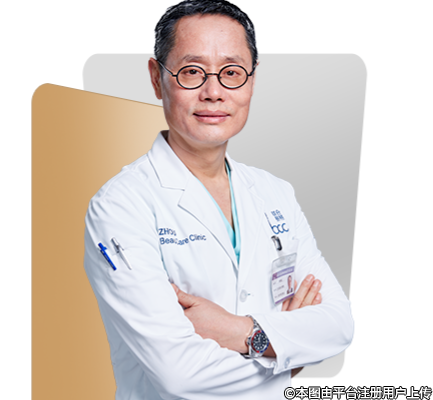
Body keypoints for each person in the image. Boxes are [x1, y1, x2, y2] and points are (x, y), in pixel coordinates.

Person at [84, 1, 354, 399]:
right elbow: (181, 376)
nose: (213, 92)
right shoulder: (121, 206)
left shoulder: (275, 193)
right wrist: (288, 353)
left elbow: (338, 325)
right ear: (157, 79)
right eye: (192, 72)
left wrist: (239, 332)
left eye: (231, 73)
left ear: (252, 81)